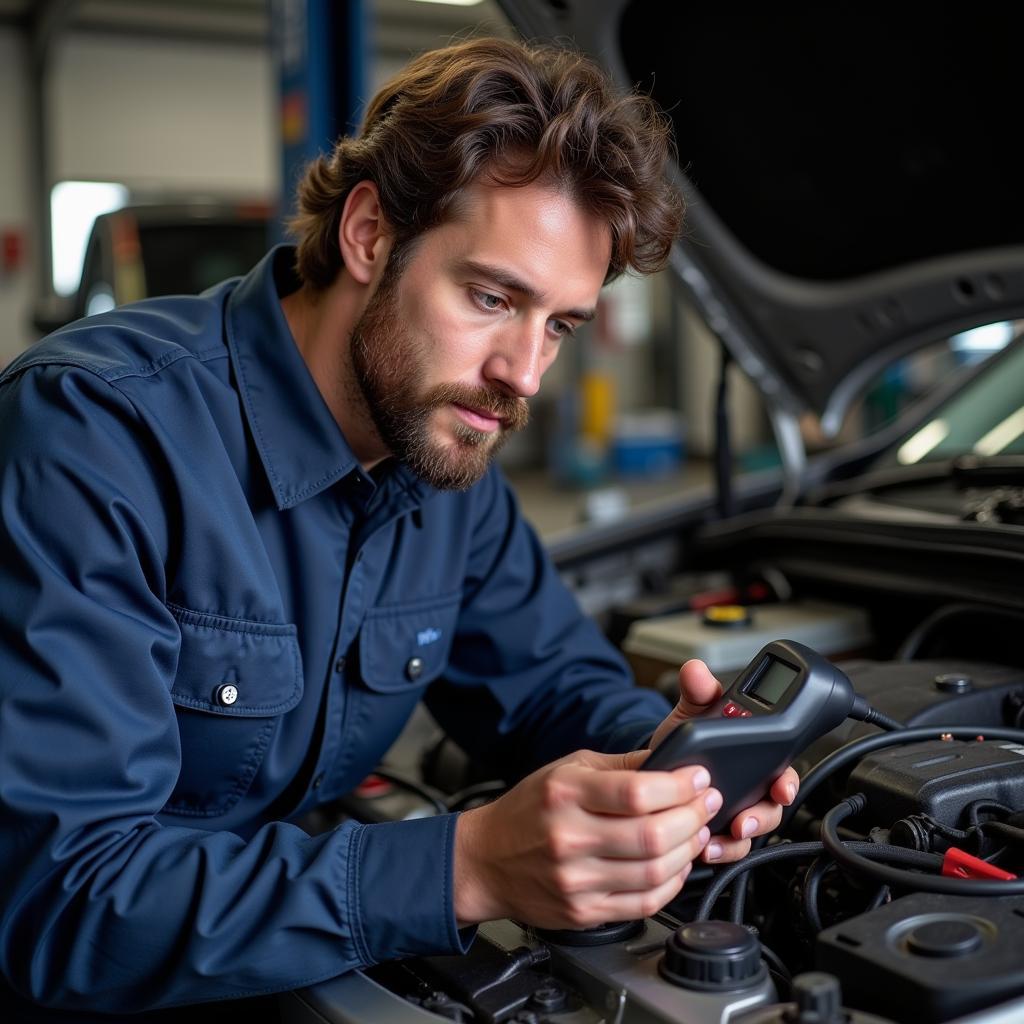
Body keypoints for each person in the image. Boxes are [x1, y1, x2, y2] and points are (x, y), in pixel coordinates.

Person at [0, 37, 797, 1021]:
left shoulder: (442, 456)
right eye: (491, 297)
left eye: (558, 324)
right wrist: (463, 867)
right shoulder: (93, 435)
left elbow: (549, 685)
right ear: (370, 234)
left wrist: (666, 770)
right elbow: (60, 899)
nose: (524, 374)